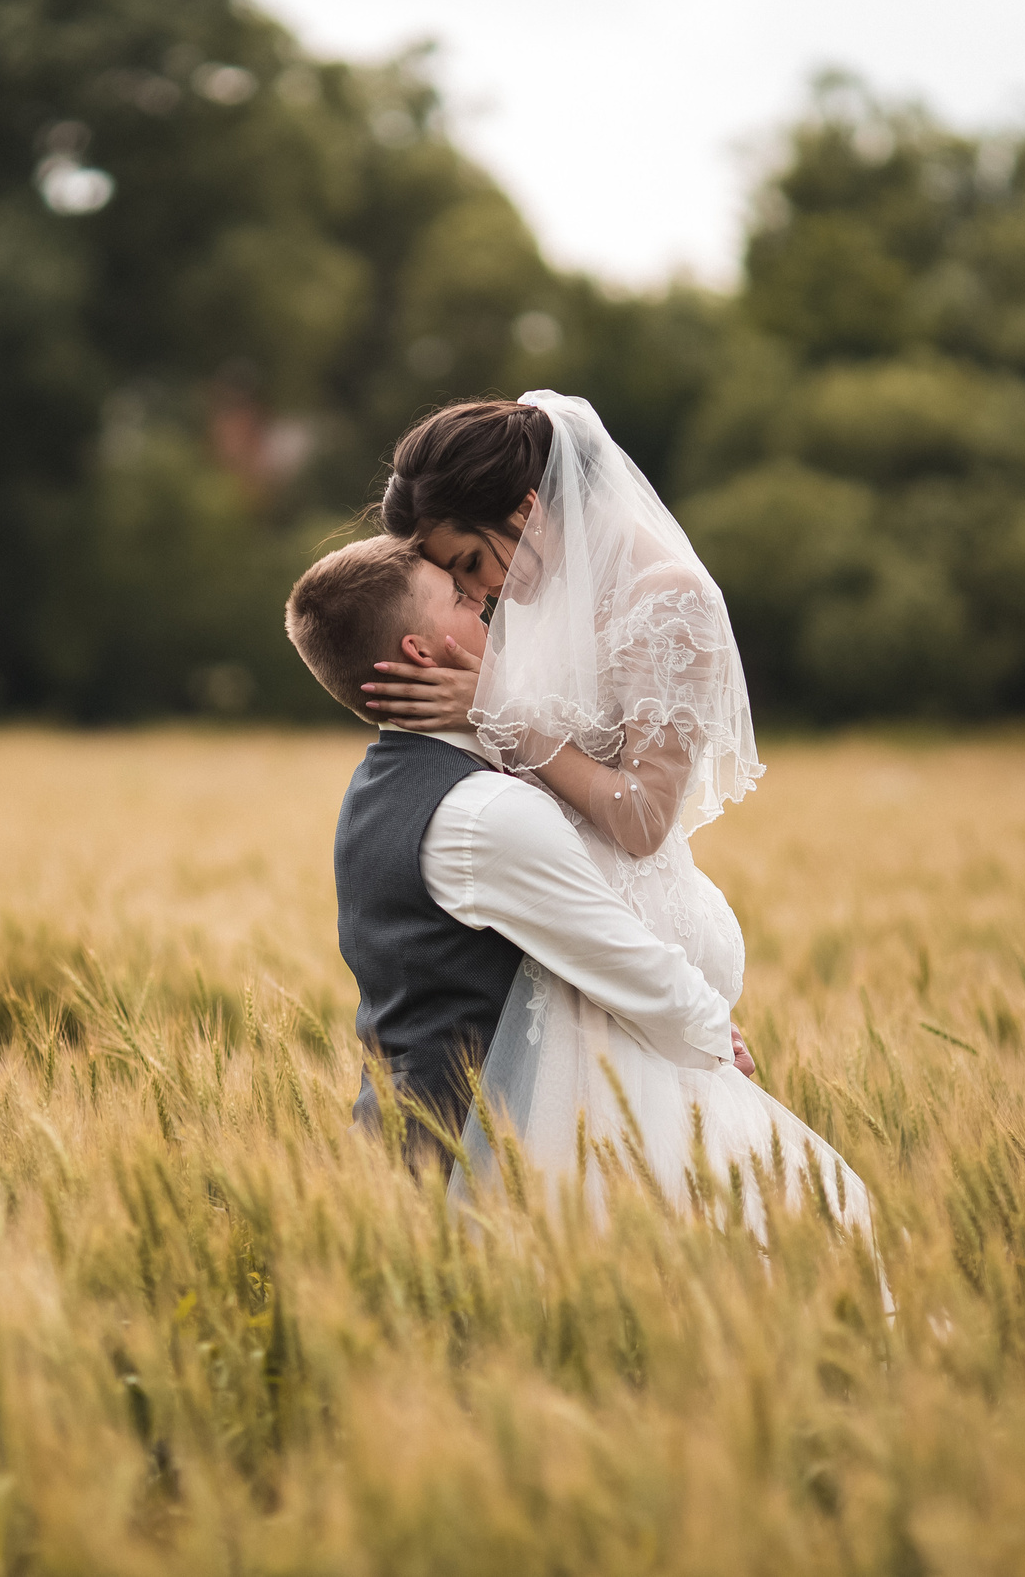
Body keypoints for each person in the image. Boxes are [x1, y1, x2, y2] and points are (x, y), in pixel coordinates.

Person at [363, 392, 879, 1245]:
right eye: (458, 581)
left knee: (665, 1212)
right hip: (560, 926)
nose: (476, 593)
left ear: (526, 508)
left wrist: (499, 709)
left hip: (634, 920)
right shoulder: (533, 592)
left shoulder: (667, 598)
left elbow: (642, 816)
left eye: (471, 563)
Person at [282, 535, 753, 1177]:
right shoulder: (486, 812)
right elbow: (621, 958)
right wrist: (717, 1036)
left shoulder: (377, 785)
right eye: (459, 595)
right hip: (475, 1165)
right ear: (420, 651)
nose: (484, 601)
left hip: (403, 1149)